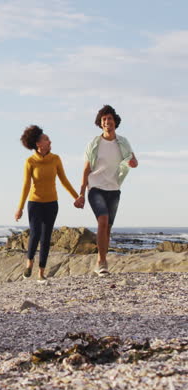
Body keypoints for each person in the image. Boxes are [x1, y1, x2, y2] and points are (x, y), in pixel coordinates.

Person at [74, 105, 138, 275]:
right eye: (103, 119)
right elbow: (86, 169)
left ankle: (99, 261)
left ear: (115, 122)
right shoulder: (94, 144)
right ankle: (102, 263)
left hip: (114, 188)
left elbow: (133, 160)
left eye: (109, 118)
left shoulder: (122, 142)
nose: (107, 121)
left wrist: (132, 163)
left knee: (108, 227)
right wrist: (81, 193)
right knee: (102, 220)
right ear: (100, 123)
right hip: (95, 186)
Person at [15, 125, 81, 283]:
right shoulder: (30, 161)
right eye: (46, 139)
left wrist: (76, 197)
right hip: (35, 203)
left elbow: (64, 180)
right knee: (35, 233)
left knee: (46, 238)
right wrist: (20, 208)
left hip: (51, 204)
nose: (49, 141)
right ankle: (29, 263)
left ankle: (41, 274)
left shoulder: (55, 159)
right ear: (38, 144)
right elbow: (26, 185)